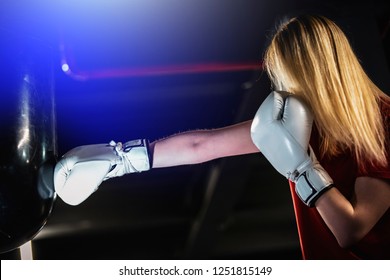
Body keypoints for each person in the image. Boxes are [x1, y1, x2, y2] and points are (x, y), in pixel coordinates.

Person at [53, 15, 390, 259]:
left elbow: (351, 230)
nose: (284, 90)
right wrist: (121, 160)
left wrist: (302, 168)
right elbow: (206, 144)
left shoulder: (383, 121)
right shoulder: (301, 123)